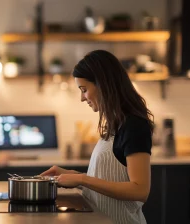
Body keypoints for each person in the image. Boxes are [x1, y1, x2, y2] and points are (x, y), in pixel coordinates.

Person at [41, 50, 153, 224]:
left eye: (84, 90)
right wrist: (73, 176)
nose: (82, 98)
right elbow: (112, 178)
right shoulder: (116, 124)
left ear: (103, 84)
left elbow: (139, 190)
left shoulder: (134, 125)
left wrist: (82, 179)